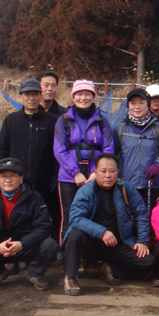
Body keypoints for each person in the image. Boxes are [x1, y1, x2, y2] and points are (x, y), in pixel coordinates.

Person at [61, 154, 159, 296]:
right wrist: (101, 232)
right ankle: (71, 277)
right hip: (92, 243)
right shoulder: (86, 190)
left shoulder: (126, 188)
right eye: (103, 171)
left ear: (118, 172)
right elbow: (75, 218)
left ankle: (110, 268)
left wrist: (142, 241)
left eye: (112, 171)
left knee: (148, 261)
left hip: (118, 243)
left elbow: (141, 214)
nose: (107, 175)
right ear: (95, 173)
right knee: (74, 235)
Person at [0, 158, 58, 290]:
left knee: (50, 245)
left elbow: (44, 227)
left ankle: (35, 273)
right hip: (0, 248)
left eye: (12, 176)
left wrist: (22, 244)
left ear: (21, 178)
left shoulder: (35, 198)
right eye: (3, 176)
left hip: (25, 246)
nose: (8, 180)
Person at [0, 78, 59, 241]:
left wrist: (54, 176)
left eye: (35, 94)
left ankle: (41, 253)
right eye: (27, 94)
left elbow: (56, 152)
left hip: (43, 181)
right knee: (16, 217)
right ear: (20, 98)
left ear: (40, 97)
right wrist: (2, 174)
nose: (31, 98)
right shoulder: (11, 120)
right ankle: (14, 254)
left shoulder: (51, 121)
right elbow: (2, 149)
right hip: (17, 181)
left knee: (41, 218)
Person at [54, 79, 115, 242]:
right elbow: (60, 150)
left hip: (95, 177)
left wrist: (98, 172)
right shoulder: (64, 120)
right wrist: (75, 173)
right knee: (69, 216)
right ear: (73, 97)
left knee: (95, 216)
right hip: (69, 177)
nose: (83, 98)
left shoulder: (102, 121)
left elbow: (108, 149)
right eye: (79, 94)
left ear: (93, 96)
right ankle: (67, 256)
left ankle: (91, 260)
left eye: (87, 94)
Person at [113, 87, 159, 210]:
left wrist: (158, 165)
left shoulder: (157, 127)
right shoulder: (120, 128)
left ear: (148, 104)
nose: (137, 107)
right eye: (133, 103)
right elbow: (112, 153)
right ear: (128, 105)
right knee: (127, 220)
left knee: (148, 220)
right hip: (126, 183)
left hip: (150, 183)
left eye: (141, 102)